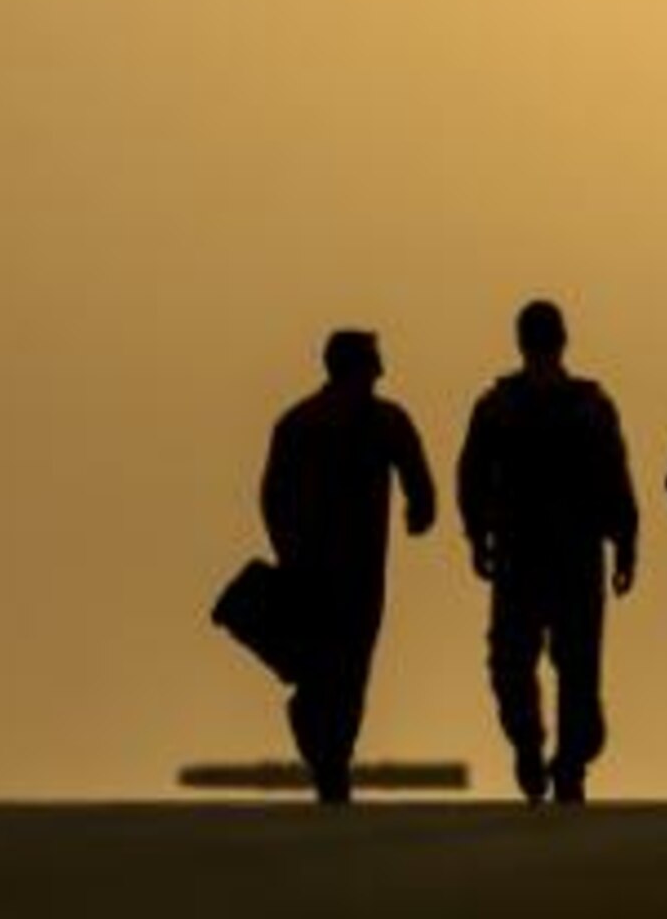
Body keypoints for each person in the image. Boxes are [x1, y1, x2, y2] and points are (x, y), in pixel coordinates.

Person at [459, 300, 637, 804]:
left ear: (521, 340)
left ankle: (535, 748)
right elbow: (615, 479)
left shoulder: (498, 406)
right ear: (563, 340)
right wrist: (625, 544)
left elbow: (471, 478)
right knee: (576, 666)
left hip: (522, 554)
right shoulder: (591, 406)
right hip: (574, 556)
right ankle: (567, 764)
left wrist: (477, 537)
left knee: (513, 663)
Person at [259, 329, 436, 803]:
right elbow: (419, 483)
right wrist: (421, 511)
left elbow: (272, 498)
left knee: (339, 668)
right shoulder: (373, 422)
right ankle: (330, 759)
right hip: (339, 571)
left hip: (328, 568)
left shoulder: (304, 422)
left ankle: (328, 755)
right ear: (357, 369)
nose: (381, 372)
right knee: (343, 668)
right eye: (374, 363)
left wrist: (287, 549)